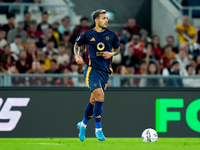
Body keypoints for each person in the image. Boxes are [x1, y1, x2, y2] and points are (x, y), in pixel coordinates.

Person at [74, 9, 120, 141]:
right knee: (100, 96)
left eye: (106, 18)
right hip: (91, 69)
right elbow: (76, 45)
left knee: (93, 100)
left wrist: (111, 54)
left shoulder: (112, 35)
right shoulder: (87, 34)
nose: (106, 20)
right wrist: (77, 56)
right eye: (103, 18)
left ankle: (82, 125)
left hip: (105, 71)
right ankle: (98, 129)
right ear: (96, 20)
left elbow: (117, 49)